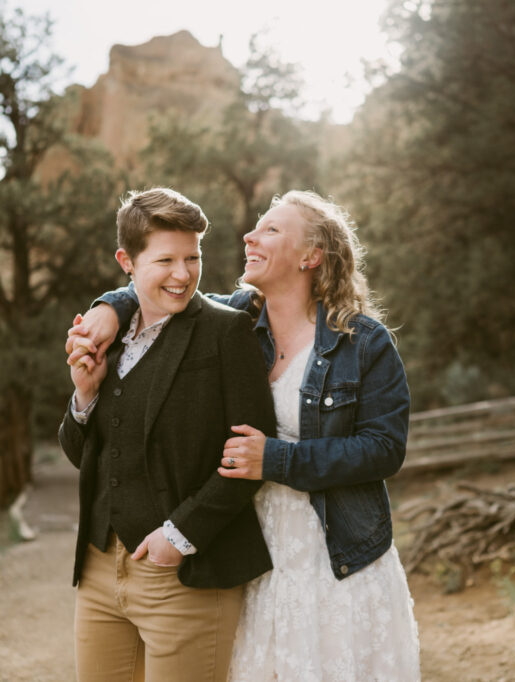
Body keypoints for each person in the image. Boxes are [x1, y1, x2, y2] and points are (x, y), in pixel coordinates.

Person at [70, 190, 421, 681]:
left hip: (334, 551)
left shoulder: (362, 342)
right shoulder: (236, 321)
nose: (249, 236)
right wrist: (110, 306)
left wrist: (274, 459)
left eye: (271, 229)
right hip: (251, 553)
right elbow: (161, 293)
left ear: (311, 255)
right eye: (256, 225)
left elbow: (385, 449)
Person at [58, 187, 276, 682]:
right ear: (126, 261)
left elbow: (248, 458)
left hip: (185, 575)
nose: (183, 274)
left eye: (192, 257)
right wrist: (85, 396)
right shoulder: (105, 339)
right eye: (166, 260)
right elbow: (81, 455)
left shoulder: (226, 332)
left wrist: (177, 538)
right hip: (97, 574)